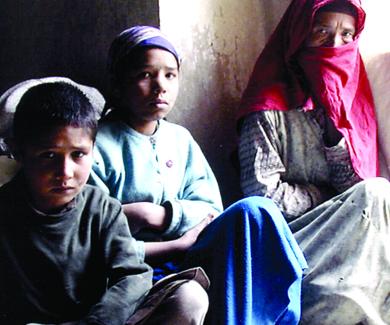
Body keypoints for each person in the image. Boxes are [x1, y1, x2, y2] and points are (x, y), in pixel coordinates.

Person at [88, 26, 307, 324]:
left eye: (170, 75)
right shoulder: (96, 146)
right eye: (145, 75)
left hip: (194, 251)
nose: (160, 86)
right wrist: (170, 237)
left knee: (256, 210)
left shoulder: (180, 139)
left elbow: (209, 209)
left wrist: (160, 215)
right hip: (138, 266)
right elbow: (97, 230)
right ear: (117, 81)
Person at [0, 81, 210, 325]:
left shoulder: (101, 209)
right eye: (48, 155)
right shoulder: (5, 211)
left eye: (78, 154)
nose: (65, 171)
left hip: (100, 321)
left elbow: (134, 275)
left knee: (190, 297)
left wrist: (97, 322)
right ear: (18, 151)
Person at [238, 0, 390, 324]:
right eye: (322, 33)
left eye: (346, 36)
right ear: (298, 38)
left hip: (343, 233)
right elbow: (265, 199)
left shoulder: (352, 107)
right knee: (378, 193)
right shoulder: (266, 111)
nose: (335, 47)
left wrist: (335, 135)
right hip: (289, 241)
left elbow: (354, 189)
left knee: (379, 200)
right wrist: (324, 197)